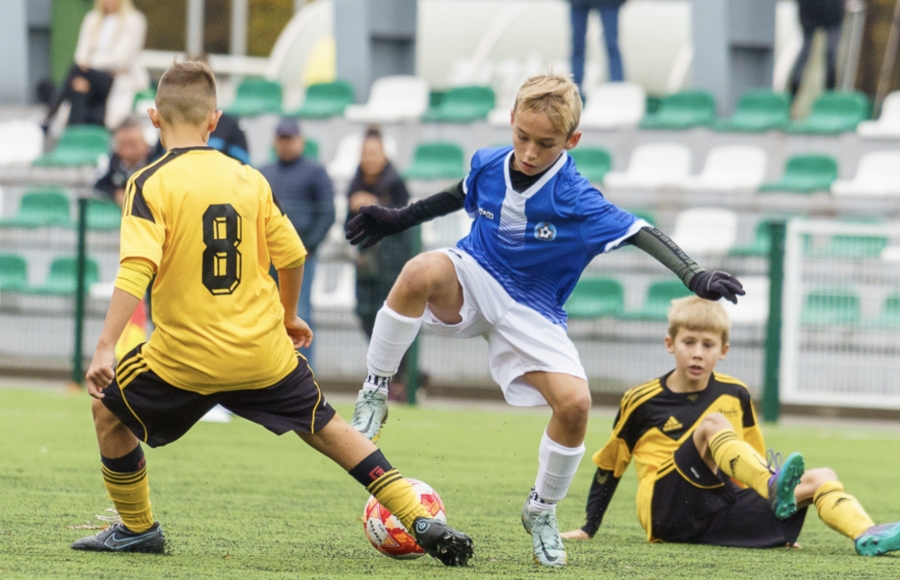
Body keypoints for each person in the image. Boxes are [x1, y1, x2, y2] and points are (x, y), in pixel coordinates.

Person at [70, 60, 473, 566]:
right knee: (327, 427)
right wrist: (287, 315)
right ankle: (419, 517)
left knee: (108, 410)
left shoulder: (148, 182)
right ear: (214, 121)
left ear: (154, 118)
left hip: (185, 358)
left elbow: (135, 269)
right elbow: (294, 254)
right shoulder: (249, 178)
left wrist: (105, 345)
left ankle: (136, 527)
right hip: (263, 353)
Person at [344, 73, 744, 567]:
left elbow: (641, 231)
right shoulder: (491, 162)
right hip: (476, 274)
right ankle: (376, 390)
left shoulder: (576, 197)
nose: (530, 151)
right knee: (418, 270)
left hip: (533, 310)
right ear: (511, 122)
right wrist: (401, 218)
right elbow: (462, 191)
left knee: (575, 405)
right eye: (523, 137)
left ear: (571, 141)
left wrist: (694, 274)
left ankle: (542, 509)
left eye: (546, 143)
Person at [560, 296, 900, 556]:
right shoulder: (640, 398)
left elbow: (751, 457)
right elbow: (610, 466)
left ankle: (865, 533)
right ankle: (772, 489)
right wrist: (589, 527)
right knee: (712, 425)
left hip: (718, 510)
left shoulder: (736, 393)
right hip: (664, 509)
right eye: (688, 342)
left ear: (723, 350)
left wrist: (771, 522)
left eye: (707, 345)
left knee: (821, 477)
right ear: (670, 344)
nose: (697, 353)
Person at [261, 119, 335, 368]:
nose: (286, 144)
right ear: (274, 141)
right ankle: (268, 371)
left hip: (300, 258)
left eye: (290, 138)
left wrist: (309, 246)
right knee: (263, 314)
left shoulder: (315, 172)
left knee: (298, 313)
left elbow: (327, 213)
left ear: (300, 140)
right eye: (282, 139)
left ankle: (302, 372)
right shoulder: (264, 172)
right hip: (266, 257)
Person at [347, 126, 414, 400]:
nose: (370, 158)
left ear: (384, 154)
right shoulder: (355, 182)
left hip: (392, 264)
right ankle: (404, 374)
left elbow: (402, 218)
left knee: (392, 320)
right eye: (366, 153)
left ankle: (401, 378)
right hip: (366, 264)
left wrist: (372, 203)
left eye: (375, 152)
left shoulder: (395, 182)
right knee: (364, 314)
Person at [44, 0, 149, 130]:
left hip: (115, 77)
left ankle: (50, 115)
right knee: (79, 86)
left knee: (76, 72)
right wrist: (87, 66)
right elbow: (81, 53)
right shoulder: (92, 19)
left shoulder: (134, 20)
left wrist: (89, 64)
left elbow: (120, 59)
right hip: (89, 75)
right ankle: (74, 135)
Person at [94, 116, 156, 207]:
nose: (128, 152)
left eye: (133, 145)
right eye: (123, 145)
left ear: (146, 144)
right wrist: (116, 192)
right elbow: (98, 185)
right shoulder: (112, 162)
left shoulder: (157, 162)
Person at [569, 0, 627, 93]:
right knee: (577, 46)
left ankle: (618, 91)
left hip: (609, 3)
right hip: (579, 3)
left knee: (611, 45)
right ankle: (574, 92)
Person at [790, 0, 845, 97]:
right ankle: (792, 95)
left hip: (830, 14)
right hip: (813, 13)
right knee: (807, 54)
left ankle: (829, 97)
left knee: (829, 56)